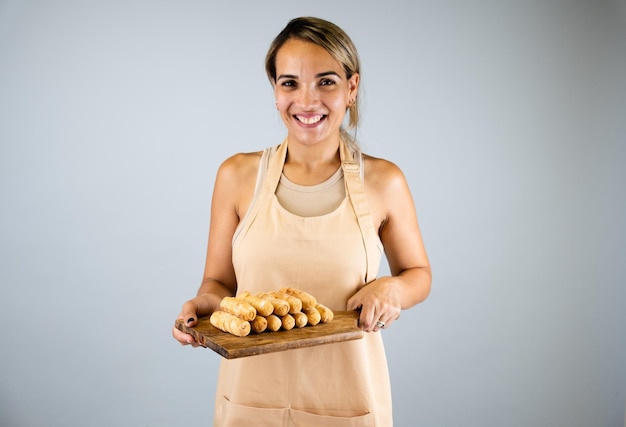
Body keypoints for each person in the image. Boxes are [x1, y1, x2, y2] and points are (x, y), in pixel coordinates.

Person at [172, 16, 431, 426]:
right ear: (275, 92)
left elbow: (419, 274)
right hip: (250, 403)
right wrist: (200, 307)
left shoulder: (384, 181)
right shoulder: (236, 176)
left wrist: (393, 288)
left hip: (349, 400)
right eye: (289, 83)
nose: (307, 101)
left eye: (326, 81)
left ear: (352, 88)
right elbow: (218, 285)